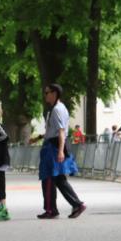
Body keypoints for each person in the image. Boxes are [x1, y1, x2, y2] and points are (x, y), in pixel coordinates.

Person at [37, 84, 85, 219]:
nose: (45, 95)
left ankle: (53, 209)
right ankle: (70, 205)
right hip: (54, 145)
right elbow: (54, 131)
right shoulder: (59, 108)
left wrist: (60, 151)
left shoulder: (57, 109)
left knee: (49, 177)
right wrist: (39, 137)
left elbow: (61, 131)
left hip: (53, 147)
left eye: (47, 92)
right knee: (57, 178)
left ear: (54, 93)